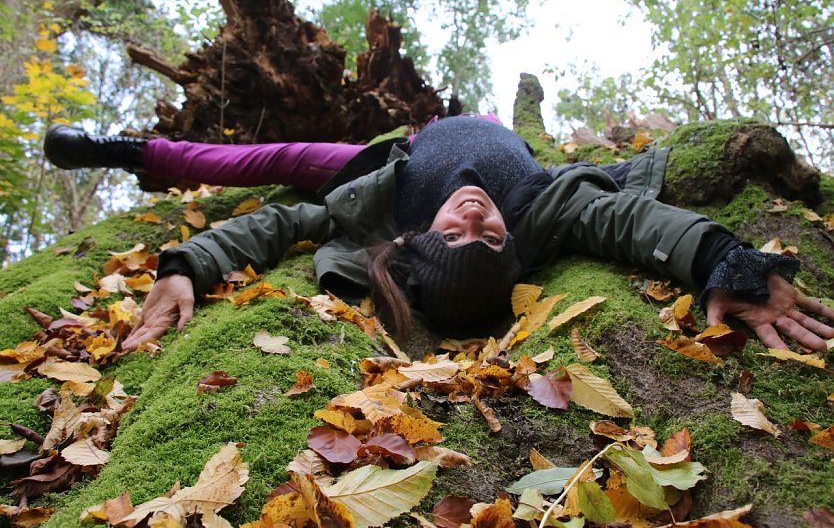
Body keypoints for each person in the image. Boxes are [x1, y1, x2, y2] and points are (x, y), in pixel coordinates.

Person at [44, 116, 834, 352]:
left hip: (394, 151)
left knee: (268, 161)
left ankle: (125, 154)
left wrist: (187, 263)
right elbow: (622, 217)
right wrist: (726, 260)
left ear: (422, 242)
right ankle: (126, 150)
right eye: (488, 239)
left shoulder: (384, 206)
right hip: (461, 125)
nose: (478, 221)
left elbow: (284, 220)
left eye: (460, 238)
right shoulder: (532, 206)